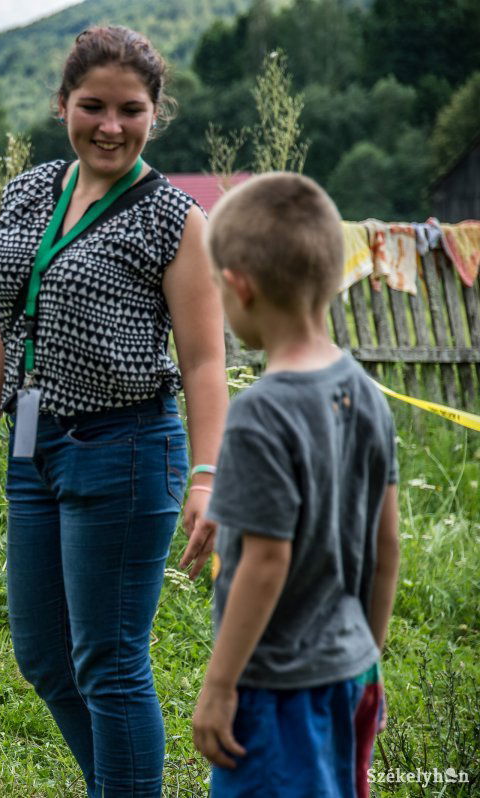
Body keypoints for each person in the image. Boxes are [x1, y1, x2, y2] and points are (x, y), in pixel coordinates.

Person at [0, 26, 229, 795]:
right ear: (62, 104)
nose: (111, 125)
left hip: (128, 448)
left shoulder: (174, 220)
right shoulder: (31, 192)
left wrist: (207, 475)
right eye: (93, 106)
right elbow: (7, 323)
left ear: (154, 114)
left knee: (108, 662)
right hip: (32, 447)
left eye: (131, 110)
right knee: (44, 656)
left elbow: (205, 363)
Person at [192, 172, 400, 797]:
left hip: (279, 692)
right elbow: (387, 545)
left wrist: (220, 684)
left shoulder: (261, 410)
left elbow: (264, 561)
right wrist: (368, 656)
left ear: (238, 286)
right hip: (351, 670)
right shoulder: (364, 392)